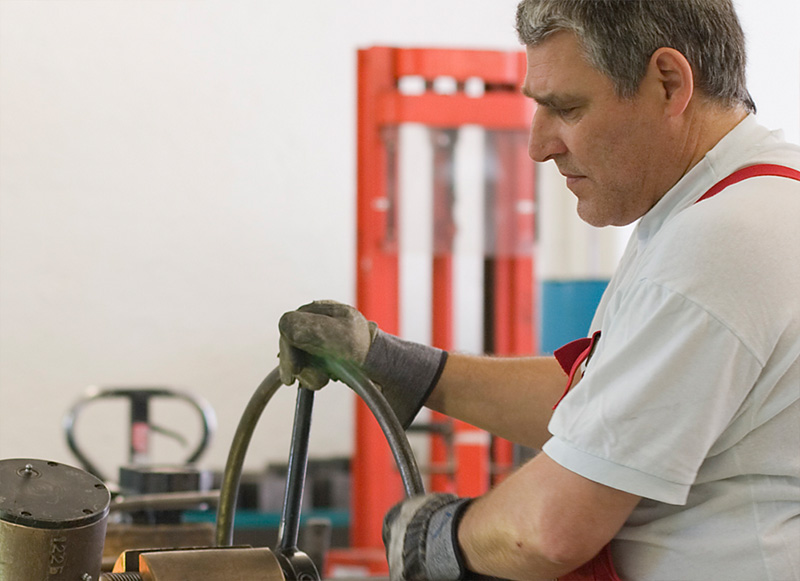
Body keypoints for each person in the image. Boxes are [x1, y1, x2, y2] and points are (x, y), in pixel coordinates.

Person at [279, 0, 800, 579]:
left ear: (668, 83)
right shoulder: (742, 205)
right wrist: (402, 366)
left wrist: (438, 537)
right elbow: (600, 403)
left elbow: (551, 531)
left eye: (567, 108)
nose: (538, 145)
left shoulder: (723, 238)